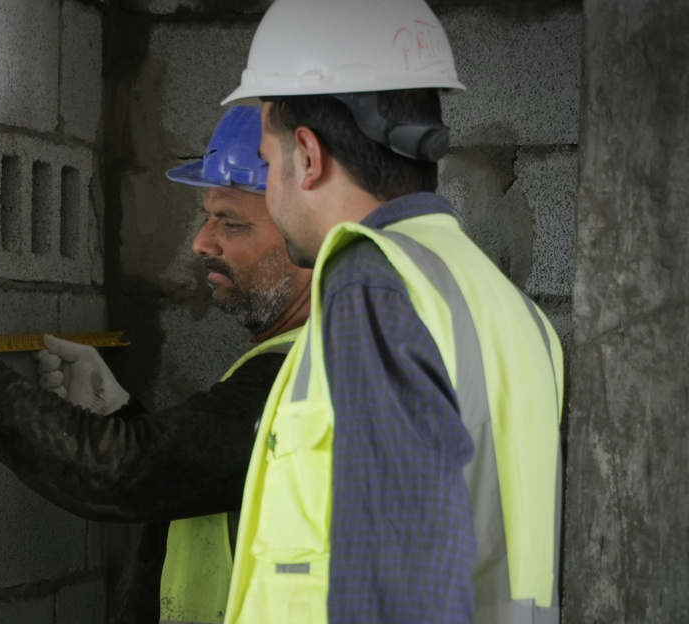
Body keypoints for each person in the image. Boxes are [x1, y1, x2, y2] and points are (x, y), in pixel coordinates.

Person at [0, 106, 311, 624]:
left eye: (233, 223)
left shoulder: (309, 378)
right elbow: (191, 483)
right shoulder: (288, 359)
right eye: (208, 217)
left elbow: (122, 474)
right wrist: (120, 416)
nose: (202, 242)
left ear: (308, 231)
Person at [216, 1, 564, 623]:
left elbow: (400, 587)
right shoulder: (510, 308)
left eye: (268, 163)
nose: (268, 189)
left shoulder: (373, 287)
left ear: (308, 154)